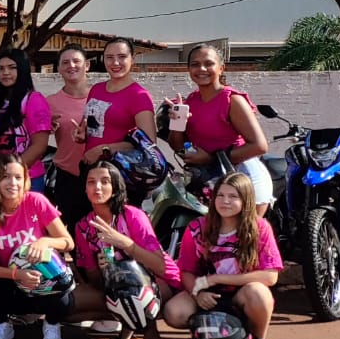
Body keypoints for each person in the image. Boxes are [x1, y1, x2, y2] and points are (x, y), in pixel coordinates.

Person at [164, 171, 281, 339]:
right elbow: (186, 271)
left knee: (259, 294)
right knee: (174, 311)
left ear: (246, 200)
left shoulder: (259, 228)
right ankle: (204, 337)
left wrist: (219, 278)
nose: (225, 201)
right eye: (220, 195)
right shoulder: (197, 228)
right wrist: (197, 292)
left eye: (233, 196)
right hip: (207, 292)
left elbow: (270, 275)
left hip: (241, 292)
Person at [0, 153, 75, 339]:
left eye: (18, 177)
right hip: (11, 281)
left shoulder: (36, 201)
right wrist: (17, 275)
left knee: (65, 298)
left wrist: (44, 241)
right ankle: (2, 324)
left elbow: (68, 243)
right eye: (5, 177)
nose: (13, 183)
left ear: (26, 179)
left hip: (41, 279)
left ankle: (52, 325)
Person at [72, 160, 178, 339]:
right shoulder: (83, 227)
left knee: (131, 281)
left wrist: (125, 243)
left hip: (163, 282)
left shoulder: (132, 215)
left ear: (115, 188)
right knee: (69, 306)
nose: (97, 187)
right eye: (91, 182)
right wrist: (101, 268)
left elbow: (161, 267)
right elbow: (94, 280)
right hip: (119, 287)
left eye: (105, 181)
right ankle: (128, 324)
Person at [165, 42, 273, 213]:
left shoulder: (232, 100)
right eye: (195, 64)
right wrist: (178, 122)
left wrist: (211, 159)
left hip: (242, 174)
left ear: (221, 68)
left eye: (209, 63)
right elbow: (178, 147)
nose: (201, 69)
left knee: (250, 232)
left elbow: (259, 146)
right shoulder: (190, 102)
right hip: (205, 178)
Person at [0, 48, 53, 189]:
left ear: (23, 70)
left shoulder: (34, 100)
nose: (5, 73)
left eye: (12, 68)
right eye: (0, 68)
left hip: (26, 180)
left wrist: (8, 174)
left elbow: (39, 146)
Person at [80, 38, 157, 167]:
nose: (115, 62)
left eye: (122, 57)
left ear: (133, 59)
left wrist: (104, 150)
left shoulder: (139, 96)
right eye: (109, 57)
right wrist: (82, 134)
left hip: (119, 172)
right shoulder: (96, 89)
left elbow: (149, 144)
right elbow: (93, 128)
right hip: (91, 169)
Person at [45, 45, 92, 223]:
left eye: (76, 61)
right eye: (65, 62)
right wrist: (47, 128)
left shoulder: (101, 96)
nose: (71, 65)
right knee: (70, 232)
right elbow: (40, 134)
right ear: (58, 69)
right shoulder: (51, 102)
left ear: (86, 65)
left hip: (100, 173)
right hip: (68, 176)